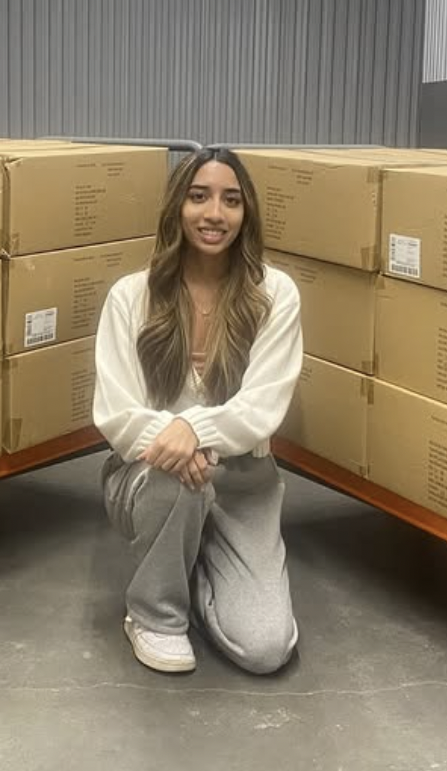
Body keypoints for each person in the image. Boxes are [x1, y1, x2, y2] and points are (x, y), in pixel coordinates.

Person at [92, 147, 303, 675]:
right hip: (151, 476)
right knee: (177, 479)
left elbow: (264, 405)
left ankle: (198, 560)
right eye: (199, 197)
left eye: (231, 200)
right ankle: (155, 613)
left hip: (241, 482)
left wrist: (194, 427)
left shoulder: (275, 294)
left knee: (265, 649)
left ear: (247, 213)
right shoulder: (131, 297)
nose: (214, 214)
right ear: (176, 208)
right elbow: (117, 412)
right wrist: (176, 439)